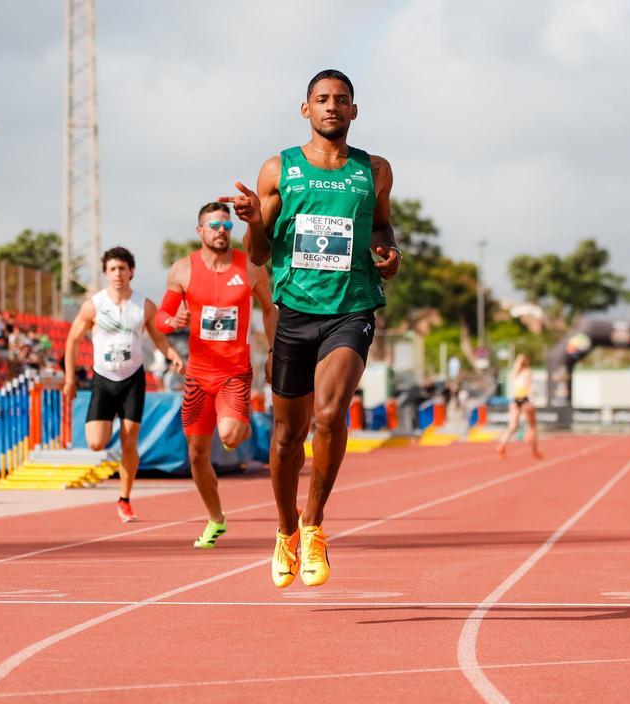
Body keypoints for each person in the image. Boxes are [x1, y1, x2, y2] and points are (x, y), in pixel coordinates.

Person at [223, 69, 400, 587]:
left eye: (341, 100)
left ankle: (315, 524)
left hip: (352, 307)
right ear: (306, 109)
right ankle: (285, 532)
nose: (331, 107)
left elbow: (383, 224)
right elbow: (257, 254)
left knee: (329, 413)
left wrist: (389, 252)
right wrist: (254, 220)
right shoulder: (280, 169)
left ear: (354, 111)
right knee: (285, 436)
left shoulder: (376, 170)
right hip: (295, 312)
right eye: (322, 100)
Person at [155, 202, 277, 549]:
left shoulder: (251, 267)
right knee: (196, 455)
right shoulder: (182, 270)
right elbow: (162, 317)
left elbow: (269, 311)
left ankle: (238, 420)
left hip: (234, 373)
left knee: (231, 435)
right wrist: (172, 321)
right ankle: (216, 518)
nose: (221, 231)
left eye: (226, 225)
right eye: (214, 225)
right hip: (197, 375)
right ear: (201, 231)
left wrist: (272, 352)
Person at [63, 247, 184, 523]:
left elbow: (159, 338)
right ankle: (116, 446)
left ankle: (125, 499)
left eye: (122, 268)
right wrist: (70, 378)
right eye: (112, 269)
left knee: (130, 442)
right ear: (105, 273)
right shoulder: (94, 305)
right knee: (96, 442)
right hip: (103, 379)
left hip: (132, 379)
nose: (118, 274)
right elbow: (71, 340)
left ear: (132, 272)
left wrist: (173, 355)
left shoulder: (144, 305)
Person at [495, 354, 543, 459]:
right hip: (525, 399)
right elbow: (528, 387)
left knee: (512, 426)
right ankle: (534, 450)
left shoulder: (515, 373)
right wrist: (531, 400)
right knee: (532, 426)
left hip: (516, 399)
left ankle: (501, 445)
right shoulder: (527, 372)